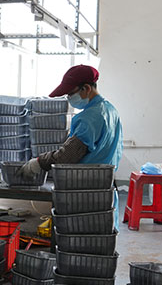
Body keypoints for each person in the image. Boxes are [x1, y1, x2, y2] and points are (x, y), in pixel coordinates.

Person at [19, 64, 123, 227]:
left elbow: (67, 156)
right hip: (105, 187)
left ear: (86, 88)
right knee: (102, 235)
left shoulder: (89, 118)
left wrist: (39, 162)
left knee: (81, 235)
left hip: (86, 190)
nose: (68, 98)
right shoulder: (110, 110)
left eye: (70, 93)